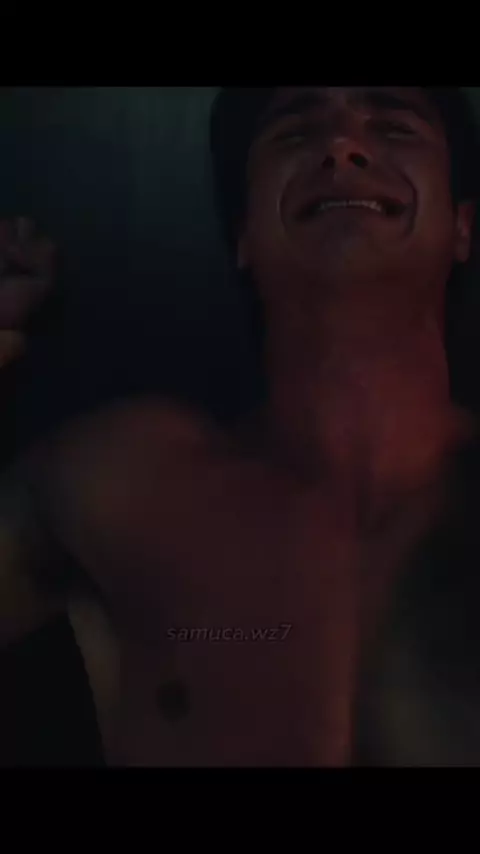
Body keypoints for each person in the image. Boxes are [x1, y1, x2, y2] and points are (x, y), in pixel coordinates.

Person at [1, 87, 480, 766]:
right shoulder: (123, 484)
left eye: (395, 127)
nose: (342, 147)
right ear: (245, 235)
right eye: (296, 132)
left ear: (463, 227)